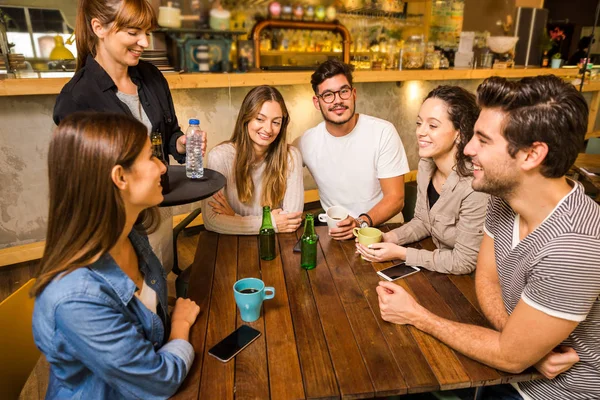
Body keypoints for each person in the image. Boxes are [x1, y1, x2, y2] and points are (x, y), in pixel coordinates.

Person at [376, 75, 599, 399]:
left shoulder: (574, 247)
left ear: (530, 155)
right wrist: (519, 342)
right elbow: (487, 279)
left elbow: (510, 357)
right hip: (506, 369)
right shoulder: (503, 196)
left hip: (549, 393)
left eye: (483, 139)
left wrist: (417, 315)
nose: (467, 148)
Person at [32, 113, 201, 399]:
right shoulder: (78, 298)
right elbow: (159, 380)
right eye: (151, 157)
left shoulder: (131, 235)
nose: (162, 167)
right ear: (120, 177)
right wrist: (180, 326)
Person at [52, 0, 206, 272]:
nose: (144, 42)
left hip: (158, 202)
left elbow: (168, 134)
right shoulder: (76, 98)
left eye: (146, 32)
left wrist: (181, 144)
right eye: (133, 33)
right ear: (99, 28)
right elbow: (83, 184)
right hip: (115, 224)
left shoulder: (152, 76)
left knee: (158, 279)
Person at [356, 86, 488, 274]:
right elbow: (423, 222)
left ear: (460, 132)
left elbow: (463, 262)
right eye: (419, 123)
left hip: (472, 282)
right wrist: (389, 238)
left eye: (432, 126)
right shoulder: (426, 165)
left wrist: (401, 253)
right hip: (439, 269)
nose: (420, 132)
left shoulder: (474, 186)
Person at [296, 59, 410, 240]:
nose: (338, 101)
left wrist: (359, 223)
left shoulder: (382, 132)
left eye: (343, 91)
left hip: (385, 229)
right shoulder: (307, 142)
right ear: (317, 103)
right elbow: (275, 162)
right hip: (337, 233)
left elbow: (396, 198)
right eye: (328, 95)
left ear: (353, 93)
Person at [201, 86, 304, 234]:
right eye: (260, 119)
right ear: (246, 118)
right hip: (231, 244)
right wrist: (271, 223)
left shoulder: (291, 156)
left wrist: (234, 218)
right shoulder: (220, 157)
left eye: (276, 122)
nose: (268, 129)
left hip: (274, 243)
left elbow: (291, 220)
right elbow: (211, 220)